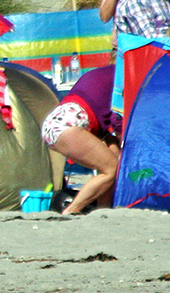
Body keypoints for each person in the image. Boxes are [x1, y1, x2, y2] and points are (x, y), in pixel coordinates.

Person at [40, 66, 121, 215]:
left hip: (59, 120)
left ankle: (103, 210)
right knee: (111, 169)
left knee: (111, 158)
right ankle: (71, 210)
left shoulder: (102, 74)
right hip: (67, 124)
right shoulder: (120, 79)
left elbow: (113, 142)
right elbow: (118, 122)